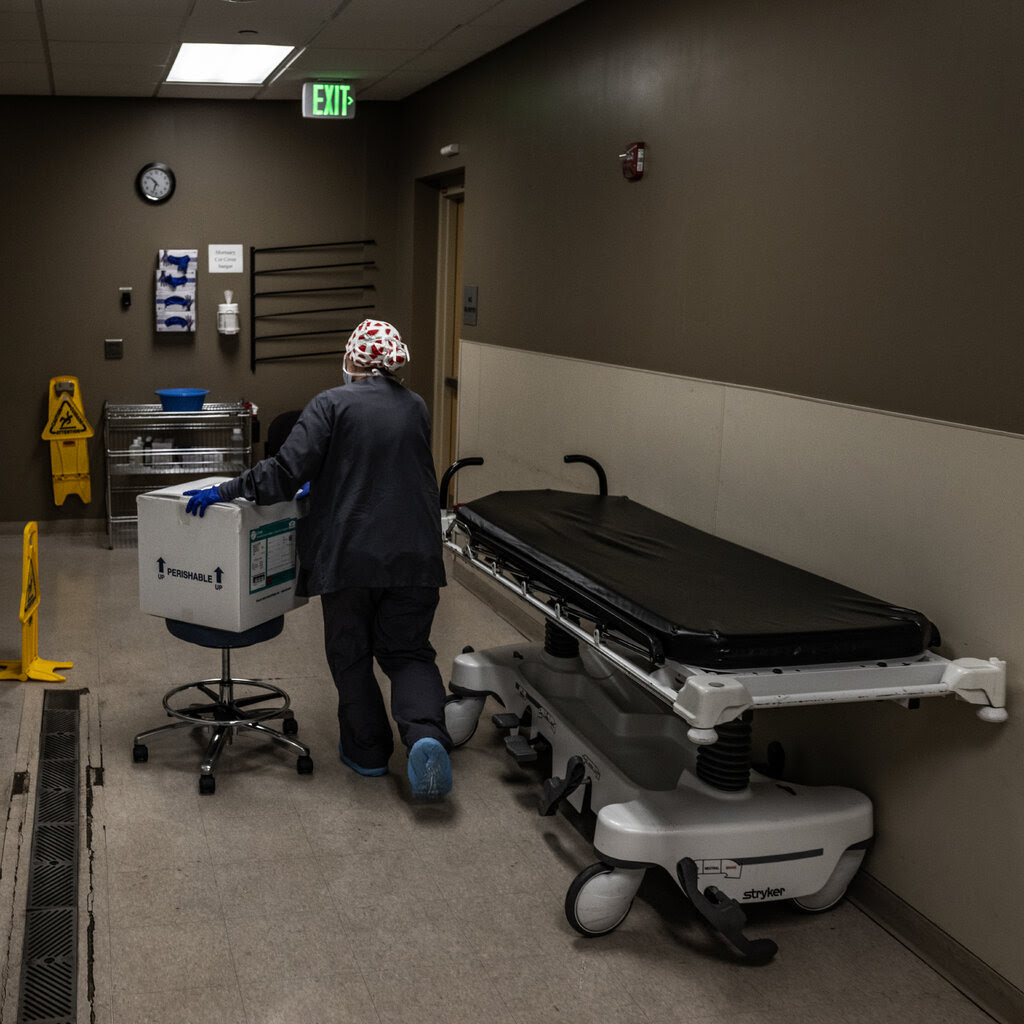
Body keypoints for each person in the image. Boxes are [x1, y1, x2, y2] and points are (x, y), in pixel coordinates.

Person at [183, 319, 453, 800]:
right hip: (416, 553)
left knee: (351, 655)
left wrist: (226, 489)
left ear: (352, 360)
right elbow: (384, 466)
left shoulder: (331, 403)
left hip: (351, 556)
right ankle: (427, 736)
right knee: (408, 652)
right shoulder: (417, 407)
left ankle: (368, 755)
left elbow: (283, 474)